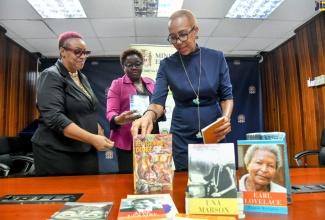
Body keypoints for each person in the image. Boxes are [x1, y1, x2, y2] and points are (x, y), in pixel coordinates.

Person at [131, 9, 233, 171]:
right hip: (182, 137)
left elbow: (227, 96)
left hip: (214, 133)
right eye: (173, 37)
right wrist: (149, 115)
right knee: (184, 185)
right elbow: (157, 102)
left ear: (196, 31)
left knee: (216, 182)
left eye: (183, 34)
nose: (178, 41)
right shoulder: (167, 65)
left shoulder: (216, 58)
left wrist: (226, 118)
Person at [31, 31, 114, 176]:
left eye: (85, 52)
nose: (83, 56)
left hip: (85, 149)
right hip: (57, 152)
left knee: (89, 194)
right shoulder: (51, 75)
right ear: (62, 51)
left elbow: (87, 110)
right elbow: (55, 118)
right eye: (77, 52)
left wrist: (97, 128)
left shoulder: (82, 77)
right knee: (64, 196)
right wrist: (92, 138)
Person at [106, 48, 164, 173]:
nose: (134, 68)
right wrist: (118, 119)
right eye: (129, 65)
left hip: (151, 138)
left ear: (142, 64)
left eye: (137, 64)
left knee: (153, 175)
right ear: (123, 66)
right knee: (130, 177)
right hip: (128, 140)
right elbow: (111, 112)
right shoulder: (117, 84)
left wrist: (160, 111)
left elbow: (159, 106)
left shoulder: (151, 83)